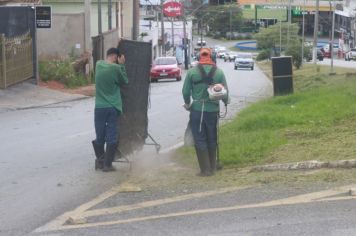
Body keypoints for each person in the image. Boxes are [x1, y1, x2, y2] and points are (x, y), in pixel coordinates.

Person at [182, 48, 229, 176]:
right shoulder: (219, 72)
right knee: (212, 137)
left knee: (200, 138)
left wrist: (187, 103)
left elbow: (186, 92)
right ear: (212, 57)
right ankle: (213, 167)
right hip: (213, 110)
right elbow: (225, 92)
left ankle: (205, 170)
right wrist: (225, 102)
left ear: (199, 57)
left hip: (197, 110)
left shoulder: (192, 72)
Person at [92, 47, 128, 172]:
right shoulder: (116, 68)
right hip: (112, 107)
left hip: (99, 108)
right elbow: (125, 81)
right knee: (112, 135)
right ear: (115, 57)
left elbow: (105, 64)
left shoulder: (98, 64)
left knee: (100, 135)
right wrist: (122, 65)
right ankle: (108, 165)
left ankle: (100, 162)